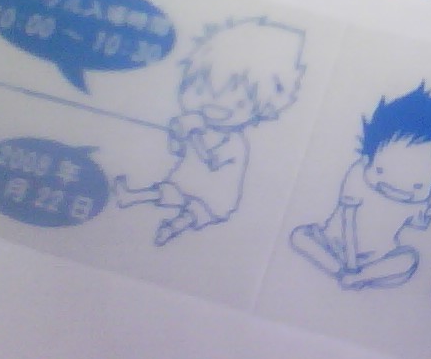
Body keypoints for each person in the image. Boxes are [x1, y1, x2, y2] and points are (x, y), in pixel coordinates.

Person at [113, 17, 305, 245]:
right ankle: (131, 197)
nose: (216, 104)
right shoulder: (195, 122)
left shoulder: (232, 142)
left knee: (193, 212)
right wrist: (178, 133)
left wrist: (195, 136)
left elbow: (211, 161)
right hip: (186, 180)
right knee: (170, 191)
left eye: (240, 102)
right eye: (200, 89)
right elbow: (177, 150)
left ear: (262, 109)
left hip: (215, 196)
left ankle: (170, 229)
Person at [290, 84, 431, 289]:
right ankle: (340, 271)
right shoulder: (358, 177)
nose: (397, 188)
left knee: (408, 259)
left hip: (375, 258)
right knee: (301, 236)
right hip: (332, 243)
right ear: (367, 159)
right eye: (380, 171)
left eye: (417, 185)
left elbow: (422, 219)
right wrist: (349, 264)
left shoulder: (422, 201)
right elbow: (348, 218)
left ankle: (359, 277)